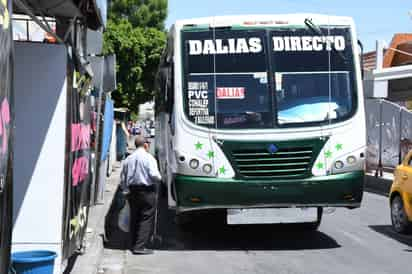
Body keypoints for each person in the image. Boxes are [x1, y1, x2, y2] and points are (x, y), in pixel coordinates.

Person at [120, 135, 161, 254]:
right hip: (147, 190)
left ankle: (132, 243)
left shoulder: (128, 159)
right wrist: (159, 180)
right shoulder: (149, 158)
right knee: (146, 217)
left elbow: (123, 179)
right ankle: (140, 246)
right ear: (146, 145)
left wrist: (125, 190)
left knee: (134, 217)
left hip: (132, 191)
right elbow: (154, 175)